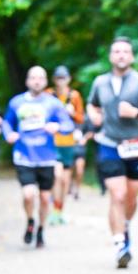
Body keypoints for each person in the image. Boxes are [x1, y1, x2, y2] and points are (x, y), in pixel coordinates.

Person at [86, 37, 138, 268]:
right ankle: (120, 244)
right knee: (117, 195)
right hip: (109, 144)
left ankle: (125, 225)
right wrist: (93, 115)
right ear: (111, 56)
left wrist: (137, 113)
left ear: (131, 57)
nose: (121, 55)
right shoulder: (100, 82)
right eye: (116, 51)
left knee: (131, 197)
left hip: (135, 146)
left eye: (125, 52)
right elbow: (92, 104)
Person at [2, 66, 69, 248]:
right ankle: (30, 221)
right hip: (24, 155)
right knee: (28, 194)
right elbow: (7, 123)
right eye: (33, 78)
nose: (37, 81)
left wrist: (58, 127)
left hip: (46, 157)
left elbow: (68, 124)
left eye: (41, 78)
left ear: (46, 81)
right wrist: (9, 134)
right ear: (27, 81)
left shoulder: (53, 103)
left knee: (45, 198)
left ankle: (41, 229)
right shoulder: (16, 102)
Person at [48, 65, 84, 224]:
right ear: (54, 80)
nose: (61, 81)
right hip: (52, 142)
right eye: (58, 78)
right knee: (57, 176)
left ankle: (60, 210)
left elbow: (81, 118)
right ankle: (54, 207)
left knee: (65, 180)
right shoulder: (49, 95)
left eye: (64, 77)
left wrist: (72, 113)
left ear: (68, 79)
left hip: (69, 142)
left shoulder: (74, 96)